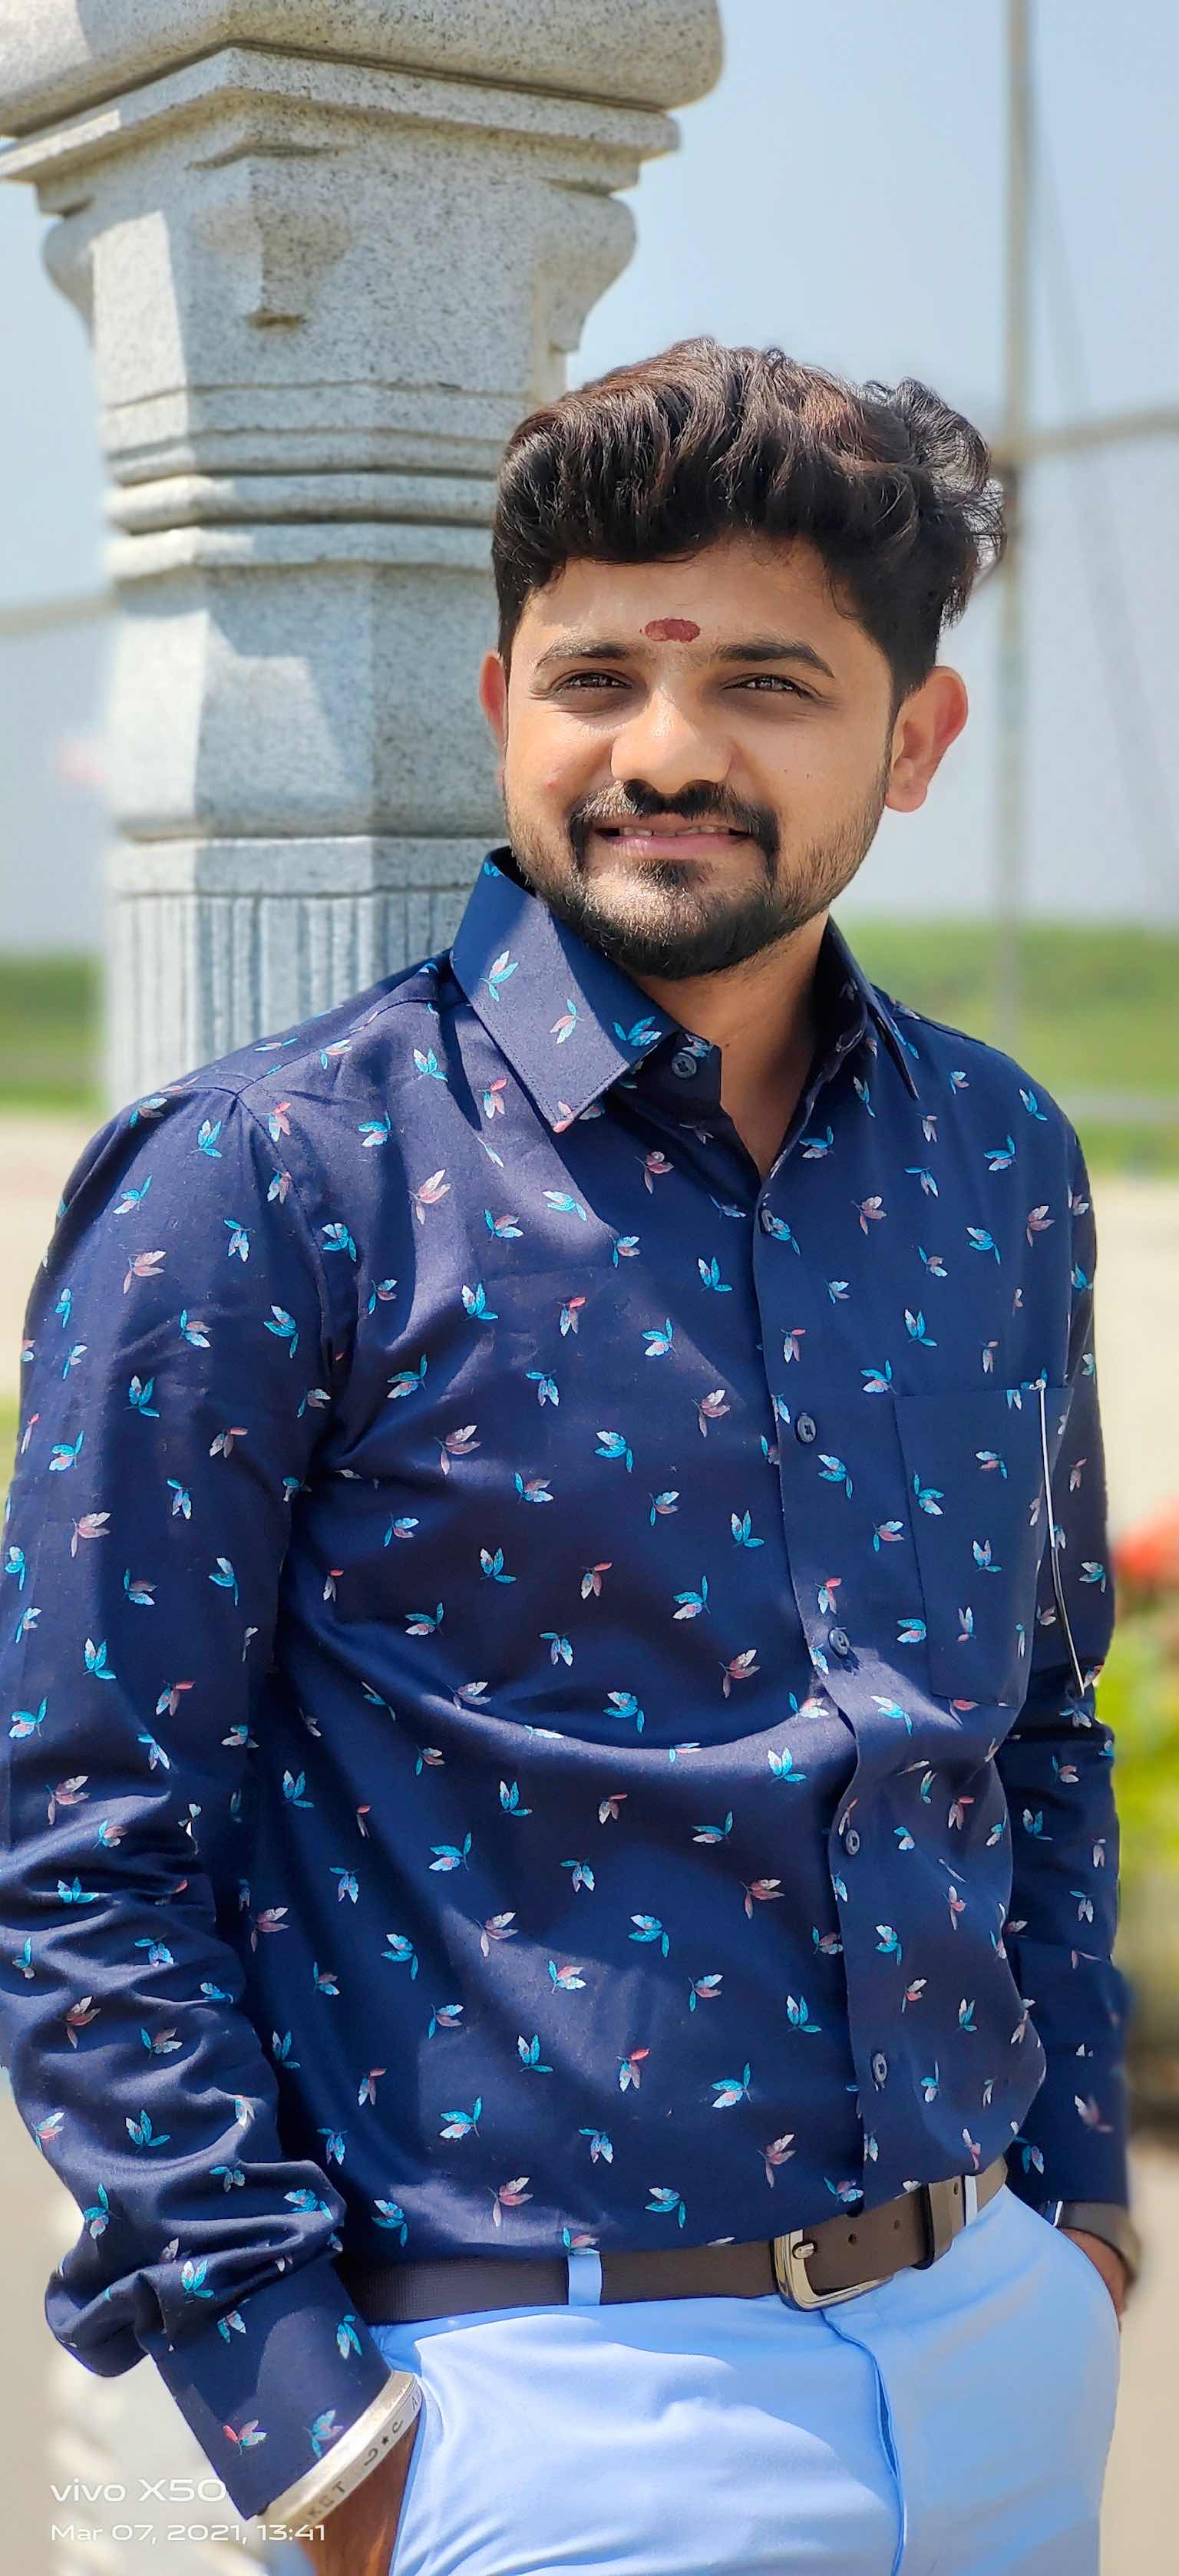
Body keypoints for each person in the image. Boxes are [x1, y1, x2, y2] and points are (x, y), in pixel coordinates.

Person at [0, 339, 1141, 2576]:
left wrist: (1079, 2208)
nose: (667, 750)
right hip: (540, 2411)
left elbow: (1037, 1722)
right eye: (598, 675)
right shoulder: (271, 1180)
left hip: (998, 2352)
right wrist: (312, 2431)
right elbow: (82, 1831)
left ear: (917, 739)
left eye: (771, 686)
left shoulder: (997, 1162)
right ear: (503, 697)